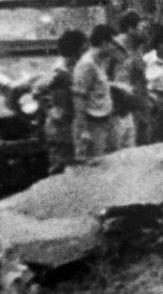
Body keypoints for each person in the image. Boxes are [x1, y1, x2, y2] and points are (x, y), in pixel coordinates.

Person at [35, 29, 86, 174]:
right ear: (75, 51)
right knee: (62, 170)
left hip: (73, 129)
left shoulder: (78, 68)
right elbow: (38, 90)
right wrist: (51, 109)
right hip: (62, 131)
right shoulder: (58, 72)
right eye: (83, 48)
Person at [71, 24, 117, 160]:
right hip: (92, 124)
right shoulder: (87, 64)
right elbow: (79, 97)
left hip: (104, 120)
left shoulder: (101, 61)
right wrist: (84, 129)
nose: (114, 47)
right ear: (104, 42)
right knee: (95, 167)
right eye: (112, 43)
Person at [111, 10, 150, 147]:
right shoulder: (116, 48)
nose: (147, 33)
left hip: (136, 108)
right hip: (122, 112)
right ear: (130, 28)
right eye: (143, 28)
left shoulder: (136, 47)